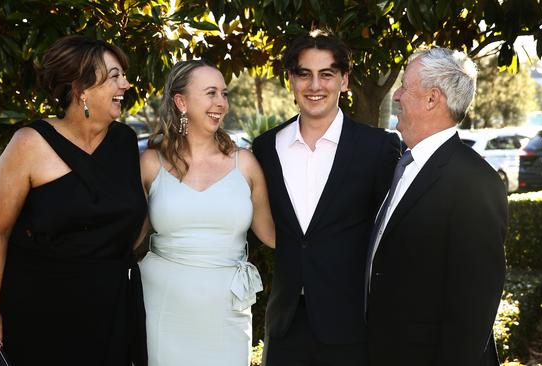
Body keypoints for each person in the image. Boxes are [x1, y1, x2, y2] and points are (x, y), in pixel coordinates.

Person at [0, 35, 148, 365]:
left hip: (110, 312)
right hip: (39, 312)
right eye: (114, 76)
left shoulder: (125, 142)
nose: (125, 84)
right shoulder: (30, 143)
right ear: (81, 88)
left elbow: (131, 221)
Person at [252, 30, 400, 366]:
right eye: (304, 74)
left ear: (344, 81)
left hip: (352, 327)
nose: (314, 86)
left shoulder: (378, 148)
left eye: (326, 74)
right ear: (291, 80)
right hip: (285, 327)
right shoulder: (265, 148)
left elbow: (391, 237)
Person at [364, 48, 507, 365]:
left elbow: (473, 312)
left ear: (432, 99)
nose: (397, 95)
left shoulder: (475, 183)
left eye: (404, 85)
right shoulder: (400, 165)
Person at [138, 60, 275, 366]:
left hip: (226, 307)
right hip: (163, 304)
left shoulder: (246, 164)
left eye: (224, 94)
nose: (221, 103)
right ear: (181, 101)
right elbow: (128, 235)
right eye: (211, 93)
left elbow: (272, 234)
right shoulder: (150, 163)